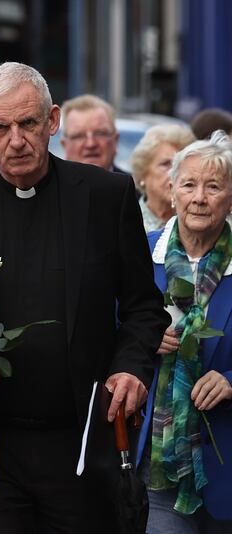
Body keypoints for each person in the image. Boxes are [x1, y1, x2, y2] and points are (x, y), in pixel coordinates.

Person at [0, 62, 170, 532]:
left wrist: (130, 367)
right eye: (1, 127)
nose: (16, 139)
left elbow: (143, 309)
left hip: (81, 449)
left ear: (52, 121)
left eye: (27, 123)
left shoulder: (107, 196)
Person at [136, 130, 232, 533]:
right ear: (171, 190)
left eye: (213, 187)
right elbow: (102, 334)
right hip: (160, 459)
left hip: (226, 457)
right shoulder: (140, 254)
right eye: (189, 185)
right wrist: (141, 339)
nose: (199, 198)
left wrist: (231, 381)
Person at [130, 124, 195, 232]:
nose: (176, 172)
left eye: (182, 165)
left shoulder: (198, 226)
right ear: (143, 172)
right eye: (166, 164)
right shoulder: (127, 221)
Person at [60, 93, 126, 173]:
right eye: (79, 136)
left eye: (100, 133)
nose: (90, 144)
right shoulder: (48, 185)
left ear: (116, 140)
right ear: (64, 145)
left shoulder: (132, 184)